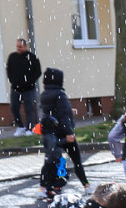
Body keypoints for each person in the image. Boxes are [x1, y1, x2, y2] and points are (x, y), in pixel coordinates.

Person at [38, 68, 89, 199]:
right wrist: (69, 132)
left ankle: (45, 186)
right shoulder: (60, 94)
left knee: (50, 160)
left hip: (52, 133)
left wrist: (68, 110)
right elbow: (64, 115)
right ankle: (86, 185)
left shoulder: (45, 94)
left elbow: (53, 112)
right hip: (64, 133)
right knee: (76, 160)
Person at [6, 38, 41, 136]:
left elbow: (38, 72)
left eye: (20, 47)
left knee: (29, 108)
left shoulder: (32, 58)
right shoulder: (12, 57)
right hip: (15, 88)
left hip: (28, 89)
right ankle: (20, 126)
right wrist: (12, 80)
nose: (19, 49)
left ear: (25, 47)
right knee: (14, 107)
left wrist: (29, 82)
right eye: (17, 46)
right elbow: (9, 70)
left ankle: (29, 128)